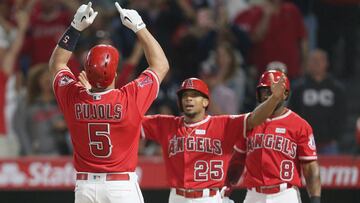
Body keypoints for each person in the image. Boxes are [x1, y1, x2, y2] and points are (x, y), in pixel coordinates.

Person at [49, 2, 169, 203]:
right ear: (115, 73)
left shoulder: (75, 97)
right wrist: (139, 27)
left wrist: (75, 27)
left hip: (85, 188)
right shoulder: (129, 98)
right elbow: (160, 64)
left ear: (86, 69)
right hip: (120, 187)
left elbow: (57, 64)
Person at [141, 74, 287, 203]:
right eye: (185, 96)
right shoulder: (166, 124)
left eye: (194, 95)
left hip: (208, 197)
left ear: (205, 102)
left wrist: (273, 99)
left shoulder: (222, 124)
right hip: (177, 197)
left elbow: (254, 119)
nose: (189, 99)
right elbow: (130, 121)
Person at [226, 70, 321, 203]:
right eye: (264, 91)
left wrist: (315, 199)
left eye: (272, 91)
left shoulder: (299, 125)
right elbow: (237, 161)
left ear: (285, 94)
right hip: (253, 195)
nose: (268, 96)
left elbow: (310, 166)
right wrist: (224, 191)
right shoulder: (249, 122)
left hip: (284, 195)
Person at [289, 49, 347, 154]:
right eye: (313, 60)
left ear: (327, 63)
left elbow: (342, 114)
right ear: (308, 64)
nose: (317, 63)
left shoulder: (336, 88)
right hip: (303, 142)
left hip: (329, 143)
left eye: (320, 60)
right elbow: (292, 113)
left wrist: (336, 136)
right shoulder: (298, 88)